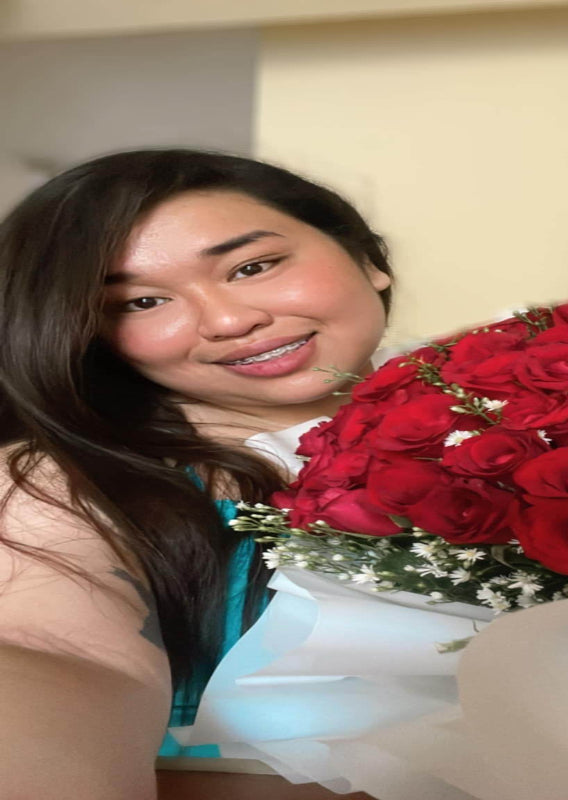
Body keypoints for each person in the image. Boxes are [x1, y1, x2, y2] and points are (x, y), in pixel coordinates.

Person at [0, 148, 393, 799]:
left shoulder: (545, 425)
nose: (229, 321)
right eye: (143, 302)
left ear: (368, 259)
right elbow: (55, 651)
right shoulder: (62, 481)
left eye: (254, 266)